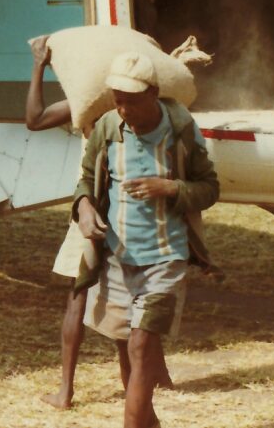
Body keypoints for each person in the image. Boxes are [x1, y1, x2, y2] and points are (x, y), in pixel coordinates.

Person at [73, 52, 219, 428]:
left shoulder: (181, 129)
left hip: (164, 258)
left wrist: (169, 187)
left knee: (140, 346)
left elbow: (209, 188)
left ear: (153, 93)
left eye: (132, 101)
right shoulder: (108, 128)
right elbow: (86, 179)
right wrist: (85, 209)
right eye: (117, 100)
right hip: (119, 259)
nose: (123, 109)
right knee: (127, 350)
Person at [26, 38, 172, 410]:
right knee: (135, 304)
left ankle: (66, 391)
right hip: (130, 214)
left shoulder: (91, 104)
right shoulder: (146, 108)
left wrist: (39, 65)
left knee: (79, 300)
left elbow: (35, 119)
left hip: (91, 211)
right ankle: (146, 383)